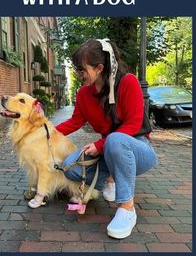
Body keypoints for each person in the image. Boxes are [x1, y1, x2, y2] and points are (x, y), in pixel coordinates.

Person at [55, 38, 158, 239]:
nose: (78, 74)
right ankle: (110, 179)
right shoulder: (84, 94)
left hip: (138, 149)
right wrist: (45, 132)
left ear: (99, 68)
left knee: (115, 140)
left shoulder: (128, 82)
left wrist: (100, 144)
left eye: (82, 69)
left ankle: (127, 208)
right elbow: (74, 122)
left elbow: (134, 124)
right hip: (109, 149)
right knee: (70, 167)